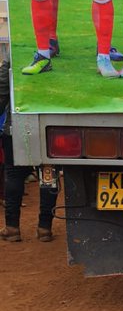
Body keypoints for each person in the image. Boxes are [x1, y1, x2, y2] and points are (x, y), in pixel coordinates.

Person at [0, 60, 58, 241]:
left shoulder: (12, 57)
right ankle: (44, 228)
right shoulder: (55, 60)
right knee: (48, 174)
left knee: (14, 175)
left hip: (17, 126)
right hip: (51, 126)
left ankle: (12, 228)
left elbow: (2, 92)